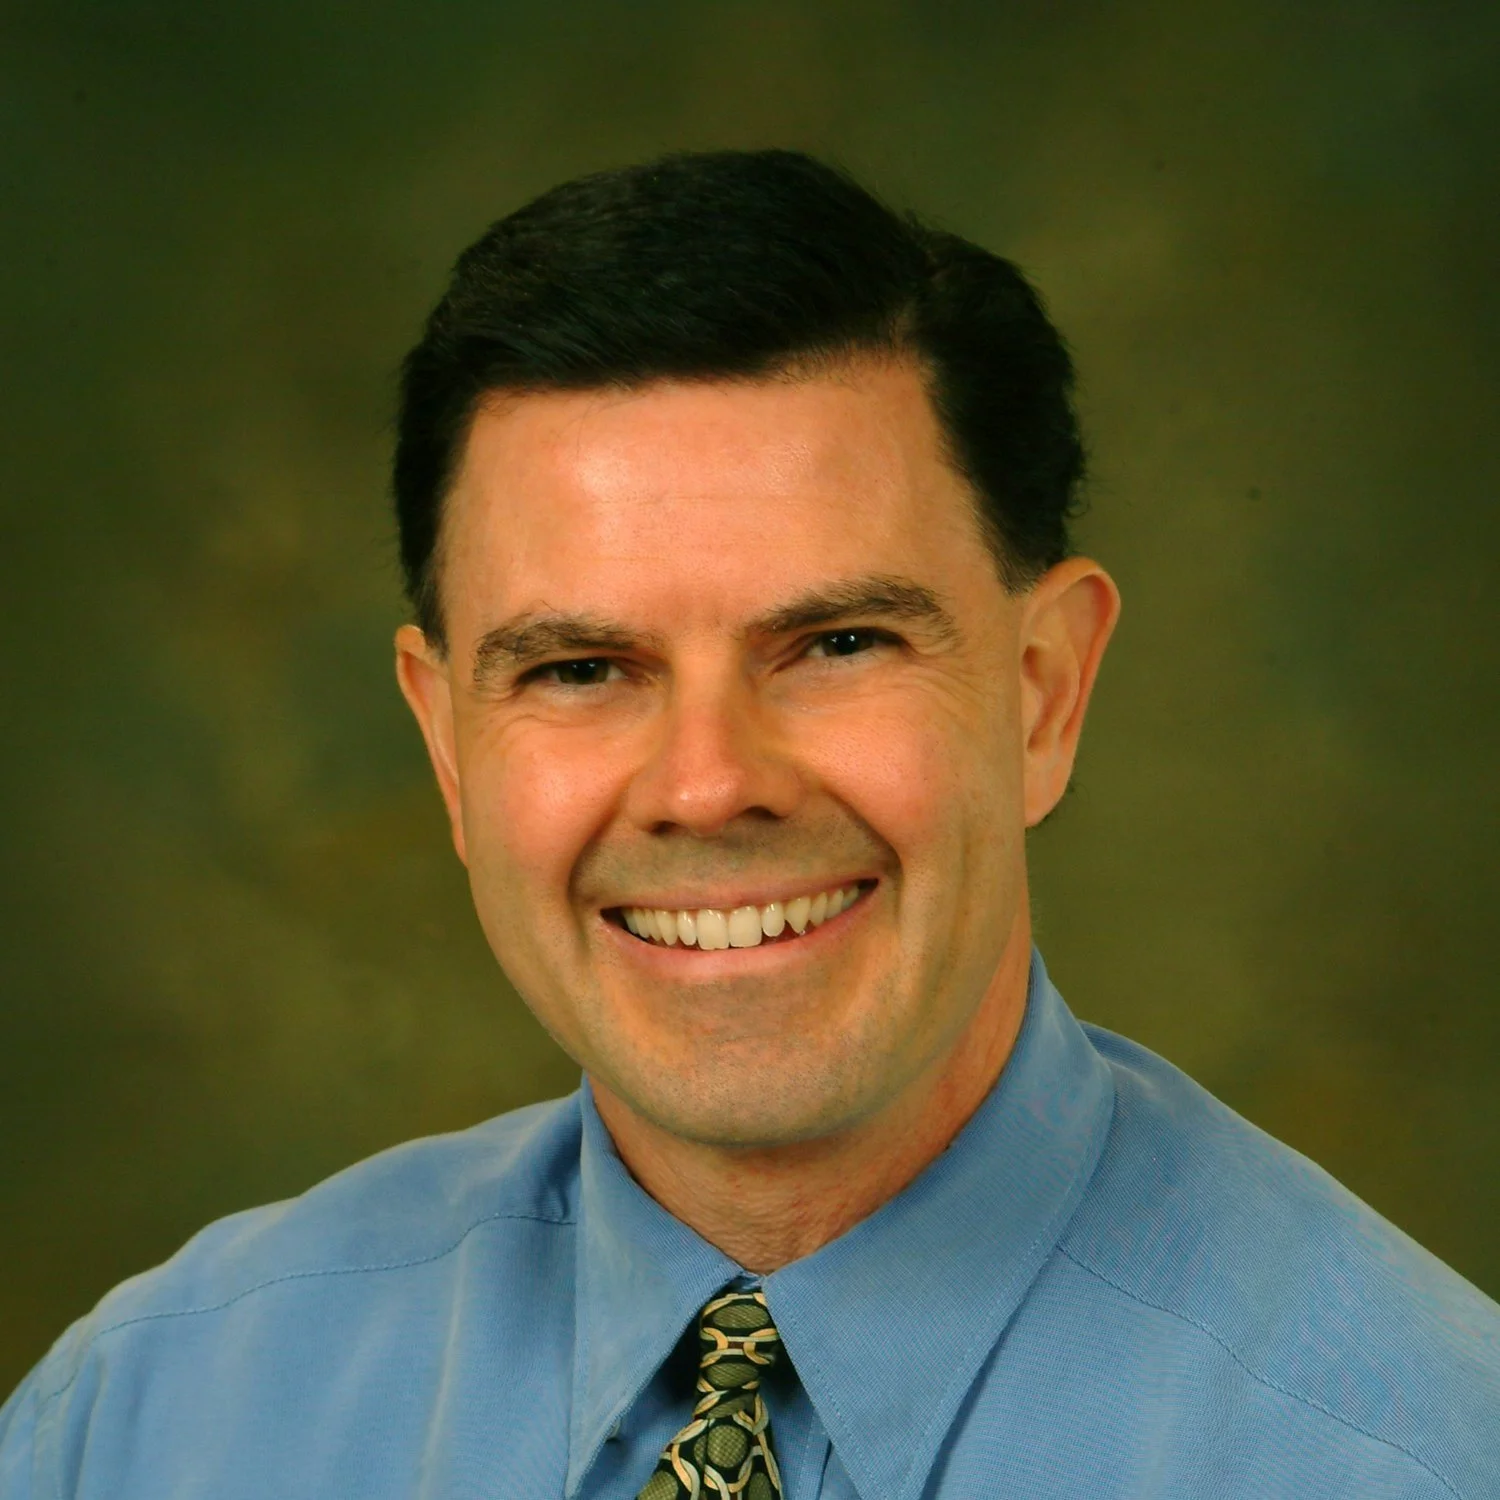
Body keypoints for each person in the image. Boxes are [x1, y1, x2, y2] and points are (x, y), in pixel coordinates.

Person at [2, 148, 1496, 1500]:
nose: (709, 784)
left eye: (837, 643)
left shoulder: (1416, 1453)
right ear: (448, 748)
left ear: (1042, 696)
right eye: (581, 670)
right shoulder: (147, 1422)